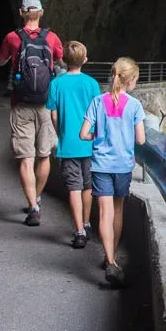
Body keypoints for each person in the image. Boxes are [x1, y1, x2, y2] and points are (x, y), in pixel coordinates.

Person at [0, 0, 64, 226]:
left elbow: (0, 60)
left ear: (21, 13)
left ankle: (33, 207)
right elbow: (60, 60)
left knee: (26, 157)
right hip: (46, 103)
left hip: (21, 103)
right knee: (44, 155)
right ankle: (37, 197)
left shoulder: (12, 37)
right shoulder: (52, 38)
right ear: (41, 13)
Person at [80, 58, 145, 286]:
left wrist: (96, 136)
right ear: (131, 80)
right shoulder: (135, 106)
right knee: (117, 211)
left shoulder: (98, 102)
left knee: (104, 213)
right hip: (122, 166)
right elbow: (141, 139)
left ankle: (109, 260)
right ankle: (113, 258)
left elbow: (83, 134)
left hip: (100, 165)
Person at [46, 40, 98, 248]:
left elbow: (54, 114)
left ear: (63, 60)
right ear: (85, 60)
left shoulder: (56, 84)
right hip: (89, 144)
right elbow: (97, 113)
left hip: (68, 145)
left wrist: (61, 133)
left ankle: (79, 232)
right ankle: (86, 222)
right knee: (87, 186)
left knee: (74, 189)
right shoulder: (92, 84)